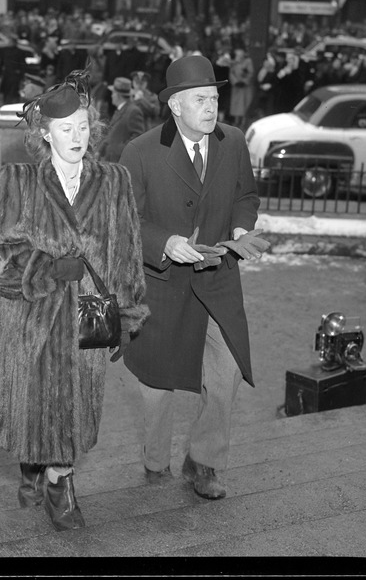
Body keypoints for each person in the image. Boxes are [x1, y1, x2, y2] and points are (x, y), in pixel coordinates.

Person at [0, 74, 151, 531]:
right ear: (44, 134)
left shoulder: (113, 182)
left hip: (88, 318)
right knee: (36, 408)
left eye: (84, 126)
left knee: (75, 409)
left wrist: (128, 317)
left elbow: (127, 253)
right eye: (66, 127)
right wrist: (45, 269)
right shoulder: (16, 183)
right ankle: (44, 473)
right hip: (32, 319)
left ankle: (58, 478)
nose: (77, 136)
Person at [119, 55, 270, 501]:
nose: (211, 107)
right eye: (200, 99)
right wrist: (164, 242)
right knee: (157, 383)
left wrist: (243, 224)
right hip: (164, 286)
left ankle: (203, 463)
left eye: (215, 98)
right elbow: (127, 218)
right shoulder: (141, 152)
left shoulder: (234, 142)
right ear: (175, 106)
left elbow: (246, 195)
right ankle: (154, 459)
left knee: (227, 374)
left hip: (218, 280)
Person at [97, 77, 146, 163]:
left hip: (120, 162)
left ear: (117, 95)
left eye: (113, 93)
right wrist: (99, 151)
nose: (111, 96)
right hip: (110, 160)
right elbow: (110, 135)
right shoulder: (120, 110)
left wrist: (118, 150)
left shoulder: (133, 111)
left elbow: (138, 138)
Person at [227, 46, 255, 130]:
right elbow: (231, 73)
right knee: (236, 105)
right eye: (237, 55)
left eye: (240, 54)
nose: (239, 56)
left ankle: (243, 122)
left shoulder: (248, 61)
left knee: (244, 105)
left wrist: (244, 81)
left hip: (245, 88)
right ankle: (236, 121)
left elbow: (251, 73)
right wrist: (235, 81)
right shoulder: (234, 63)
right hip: (237, 87)